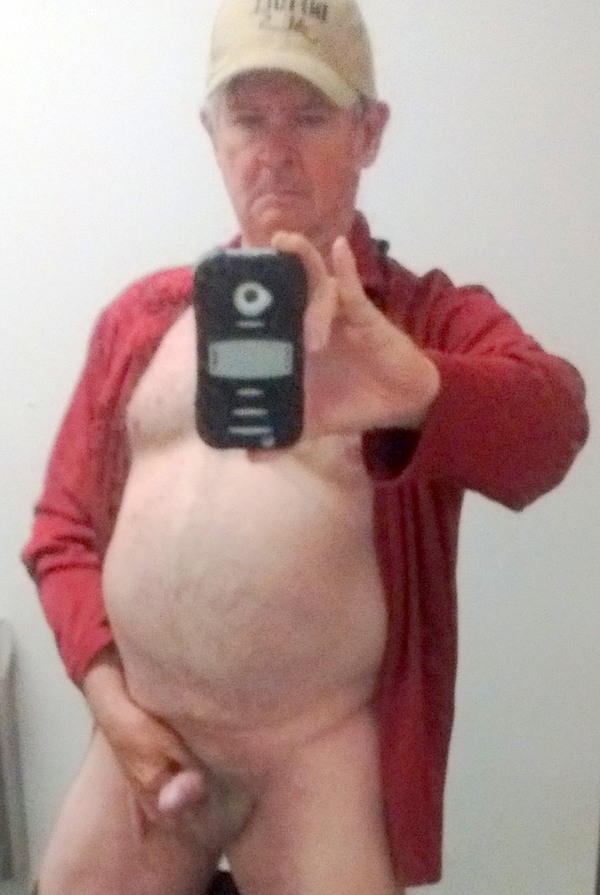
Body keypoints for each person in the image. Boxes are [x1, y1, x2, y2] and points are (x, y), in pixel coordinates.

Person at [22, 0, 589, 893]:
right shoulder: (139, 323)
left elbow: (554, 427)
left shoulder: (418, 319)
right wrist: (108, 699)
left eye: (311, 115)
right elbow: (60, 530)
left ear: (370, 132)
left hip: (314, 758)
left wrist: (416, 387)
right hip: (143, 741)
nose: (275, 150)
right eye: (249, 117)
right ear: (211, 134)